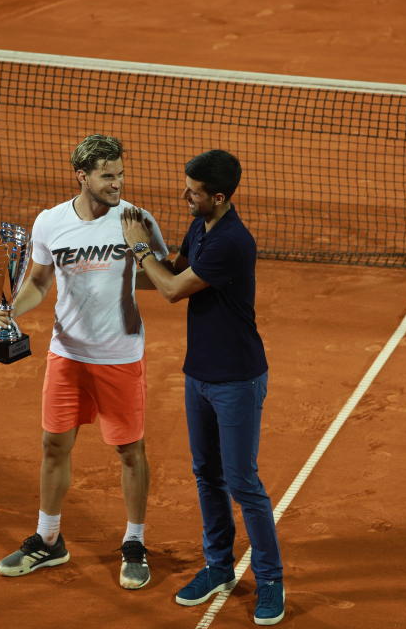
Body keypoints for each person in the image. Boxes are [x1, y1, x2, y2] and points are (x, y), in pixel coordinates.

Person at [0, 134, 169, 590]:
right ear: (83, 176)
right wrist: (13, 308)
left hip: (120, 356)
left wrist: (130, 273)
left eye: (120, 174)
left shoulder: (136, 220)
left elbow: (160, 275)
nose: (118, 183)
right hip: (66, 355)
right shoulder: (51, 223)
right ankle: (49, 539)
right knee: (53, 446)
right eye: (108, 176)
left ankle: (134, 542)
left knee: (130, 452)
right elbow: (37, 281)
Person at [120, 149, 284, 624]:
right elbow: (168, 275)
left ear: (218, 196)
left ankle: (271, 579)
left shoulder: (232, 241)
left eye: (192, 192)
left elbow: (172, 292)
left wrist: (139, 249)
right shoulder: (201, 227)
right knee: (206, 474)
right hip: (200, 375)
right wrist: (116, 270)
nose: (184, 196)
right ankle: (218, 566)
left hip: (237, 379)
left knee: (241, 481)